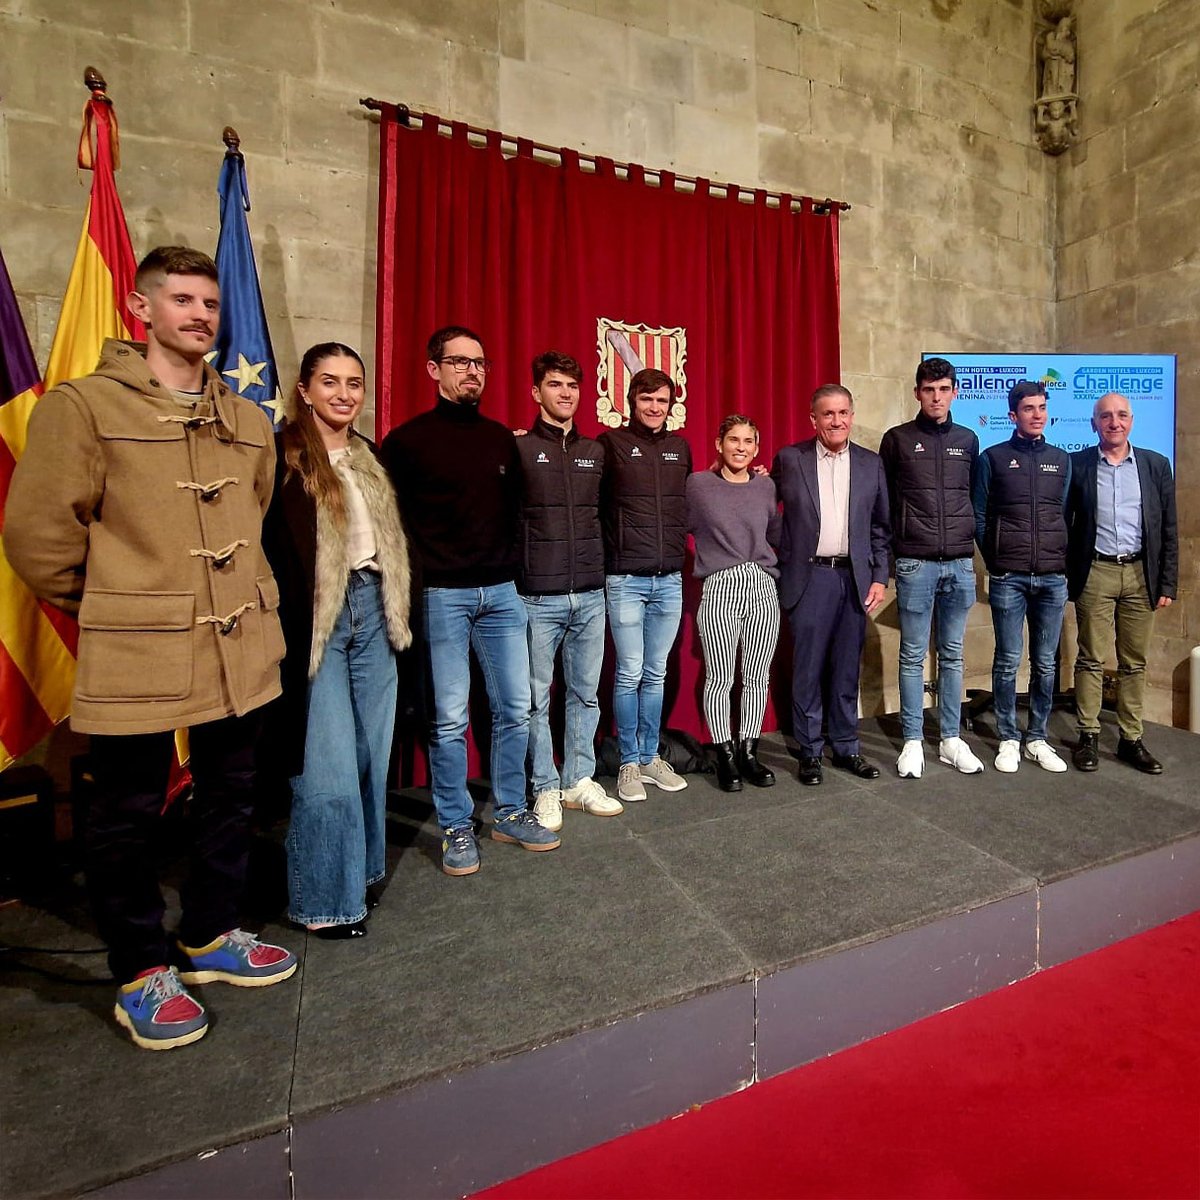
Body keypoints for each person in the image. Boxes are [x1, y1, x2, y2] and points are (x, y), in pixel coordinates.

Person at [4, 246, 296, 1051]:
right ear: (142, 308)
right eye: (181, 300)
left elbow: (255, 509)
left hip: (238, 642)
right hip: (140, 648)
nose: (200, 315)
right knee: (124, 814)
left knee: (232, 795)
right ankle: (140, 967)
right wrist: (119, 607)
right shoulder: (85, 406)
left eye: (209, 303)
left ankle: (209, 933)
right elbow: (36, 537)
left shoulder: (244, 417)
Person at [381, 325, 559, 875]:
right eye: (459, 362)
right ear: (433, 369)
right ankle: (457, 824)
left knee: (515, 708)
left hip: (502, 594)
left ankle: (509, 811)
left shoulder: (499, 439)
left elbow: (516, 513)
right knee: (450, 718)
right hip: (441, 598)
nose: (471, 371)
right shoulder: (406, 443)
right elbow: (393, 528)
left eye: (479, 362)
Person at [262, 343, 412, 939]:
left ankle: (362, 872)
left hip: (376, 611)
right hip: (317, 621)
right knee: (325, 765)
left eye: (354, 383)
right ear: (304, 389)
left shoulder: (371, 457)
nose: (344, 394)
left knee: (371, 756)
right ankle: (325, 901)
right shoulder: (280, 457)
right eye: (330, 382)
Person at [517, 351, 624, 831]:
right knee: (536, 698)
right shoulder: (517, 449)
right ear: (536, 392)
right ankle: (544, 785)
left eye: (572, 387)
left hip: (590, 592)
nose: (565, 394)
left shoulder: (596, 452)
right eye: (555, 385)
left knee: (584, 694)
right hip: (536, 594)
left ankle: (578, 779)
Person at [772, 384, 890, 786]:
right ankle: (809, 751)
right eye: (827, 414)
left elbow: (880, 528)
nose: (836, 421)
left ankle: (845, 747)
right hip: (810, 578)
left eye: (843, 413)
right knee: (807, 669)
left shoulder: (871, 464)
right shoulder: (790, 459)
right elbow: (767, 507)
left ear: (852, 416)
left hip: (855, 580)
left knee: (845, 670)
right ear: (814, 419)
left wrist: (879, 576)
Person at [879, 358, 985, 779]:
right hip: (915, 563)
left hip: (959, 563)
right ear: (918, 393)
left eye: (944, 389)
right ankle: (911, 741)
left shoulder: (968, 439)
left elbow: (974, 498)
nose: (936, 397)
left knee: (954, 655)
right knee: (911, 655)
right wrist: (891, 559)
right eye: (929, 389)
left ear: (955, 392)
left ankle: (951, 739)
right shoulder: (898, 440)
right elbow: (884, 503)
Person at [1066, 392, 1177, 774]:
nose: (1115, 422)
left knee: (1134, 663)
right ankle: (1088, 735)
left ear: (1132, 421)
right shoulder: (1077, 463)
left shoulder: (1155, 465)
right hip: (1095, 571)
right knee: (1090, 658)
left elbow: (1169, 528)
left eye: (1122, 415)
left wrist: (1167, 582)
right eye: (1106, 416)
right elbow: (1066, 523)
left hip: (1140, 574)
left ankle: (1131, 738)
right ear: (1094, 423)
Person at [599, 368, 694, 803]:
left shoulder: (680, 448)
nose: (654, 408)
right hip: (625, 580)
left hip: (669, 580)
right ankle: (628, 764)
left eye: (661, 401)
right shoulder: (610, 445)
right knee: (629, 672)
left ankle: (652, 755)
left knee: (656, 673)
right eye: (646, 400)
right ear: (632, 402)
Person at [972, 380, 1071, 774]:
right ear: (1013, 415)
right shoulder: (992, 458)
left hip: (1051, 578)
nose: (1037, 414)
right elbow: (979, 515)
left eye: (1042, 407)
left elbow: (1063, 514)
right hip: (1008, 576)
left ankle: (1038, 738)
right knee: (1008, 660)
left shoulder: (1062, 460)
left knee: (1046, 663)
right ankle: (1009, 738)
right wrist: (996, 561)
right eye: (1028, 408)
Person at [687, 415, 781, 792]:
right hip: (720, 585)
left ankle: (749, 751)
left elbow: (774, 533)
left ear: (756, 448)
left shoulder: (765, 486)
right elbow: (682, 523)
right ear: (719, 444)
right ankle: (724, 753)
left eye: (748, 441)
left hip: (761, 585)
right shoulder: (698, 485)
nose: (740, 447)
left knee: (757, 677)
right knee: (721, 677)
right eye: (733, 440)